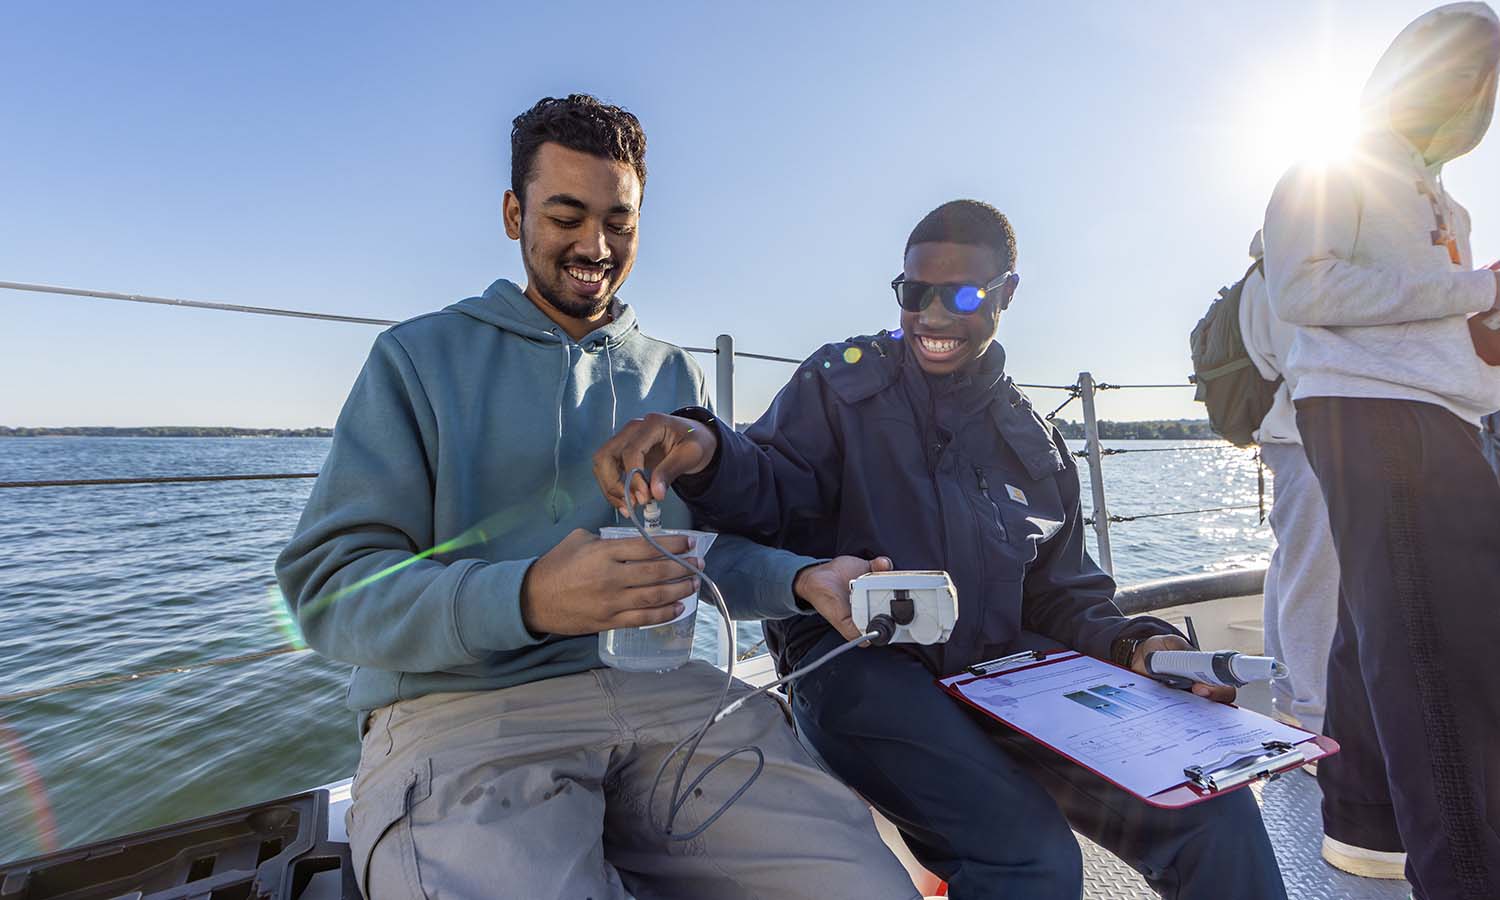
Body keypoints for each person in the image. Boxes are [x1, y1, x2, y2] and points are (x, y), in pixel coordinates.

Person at [275, 94, 919, 900]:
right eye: (566, 215)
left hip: (669, 698)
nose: (595, 245)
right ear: (514, 214)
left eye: (620, 221)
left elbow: (690, 560)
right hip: (467, 713)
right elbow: (329, 595)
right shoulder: (415, 359)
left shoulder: (670, 375)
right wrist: (530, 597)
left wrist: (801, 580)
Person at [594, 200, 1288, 900]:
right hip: (857, 667)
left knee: (1213, 809)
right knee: (1029, 856)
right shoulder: (837, 387)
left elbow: (1065, 598)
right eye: (913, 293)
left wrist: (1141, 646)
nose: (931, 316)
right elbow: (769, 489)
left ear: (1007, 293)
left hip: (1008, 671)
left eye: (960, 295)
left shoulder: (1037, 444)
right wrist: (706, 447)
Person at [1261, 5, 1500, 898]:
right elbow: (1303, 285)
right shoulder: (1329, 168)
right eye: (1460, 67)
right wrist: (1472, 286)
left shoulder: (1448, 199)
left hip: (1445, 411)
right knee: (1442, 653)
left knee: (1377, 626)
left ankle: (1366, 833)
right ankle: (1469, 877)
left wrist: (1482, 316)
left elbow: (1434, 309)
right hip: (1375, 416)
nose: (1474, 91)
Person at [1241, 229, 1408, 878]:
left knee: (1293, 567)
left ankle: (1298, 706)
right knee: (1315, 571)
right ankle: (1312, 726)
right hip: (1315, 433)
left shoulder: (1264, 273)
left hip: (1289, 436)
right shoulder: (1293, 274)